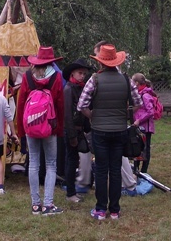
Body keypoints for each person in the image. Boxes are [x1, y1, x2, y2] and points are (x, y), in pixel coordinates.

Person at [78, 44, 142, 220]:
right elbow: (138, 102)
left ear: (101, 63)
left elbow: (81, 105)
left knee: (101, 170)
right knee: (115, 170)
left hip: (99, 130)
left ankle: (100, 209)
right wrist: (126, 113)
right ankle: (114, 210)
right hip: (120, 130)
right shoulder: (126, 80)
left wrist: (92, 115)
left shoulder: (94, 80)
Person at [16, 46, 65, 216]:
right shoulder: (56, 77)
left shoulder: (27, 77)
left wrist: (21, 129)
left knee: (34, 163)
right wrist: (59, 128)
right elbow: (59, 104)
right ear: (52, 61)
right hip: (50, 127)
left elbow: (21, 103)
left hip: (30, 126)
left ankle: (35, 205)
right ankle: (48, 205)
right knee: (51, 164)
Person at [62, 58, 93, 203]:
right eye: (80, 73)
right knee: (71, 161)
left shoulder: (80, 88)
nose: (82, 76)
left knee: (76, 159)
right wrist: (72, 135)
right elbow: (67, 114)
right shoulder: (68, 89)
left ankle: (73, 190)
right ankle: (70, 193)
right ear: (73, 73)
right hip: (72, 130)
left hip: (80, 130)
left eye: (84, 73)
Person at [131, 73, 156, 174]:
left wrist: (139, 120)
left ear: (136, 83)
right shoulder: (139, 94)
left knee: (145, 149)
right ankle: (136, 170)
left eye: (133, 82)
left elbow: (150, 112)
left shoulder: (145, 95)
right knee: (137, 148)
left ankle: (144, 171)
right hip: (138, 127)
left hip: (145, 128)